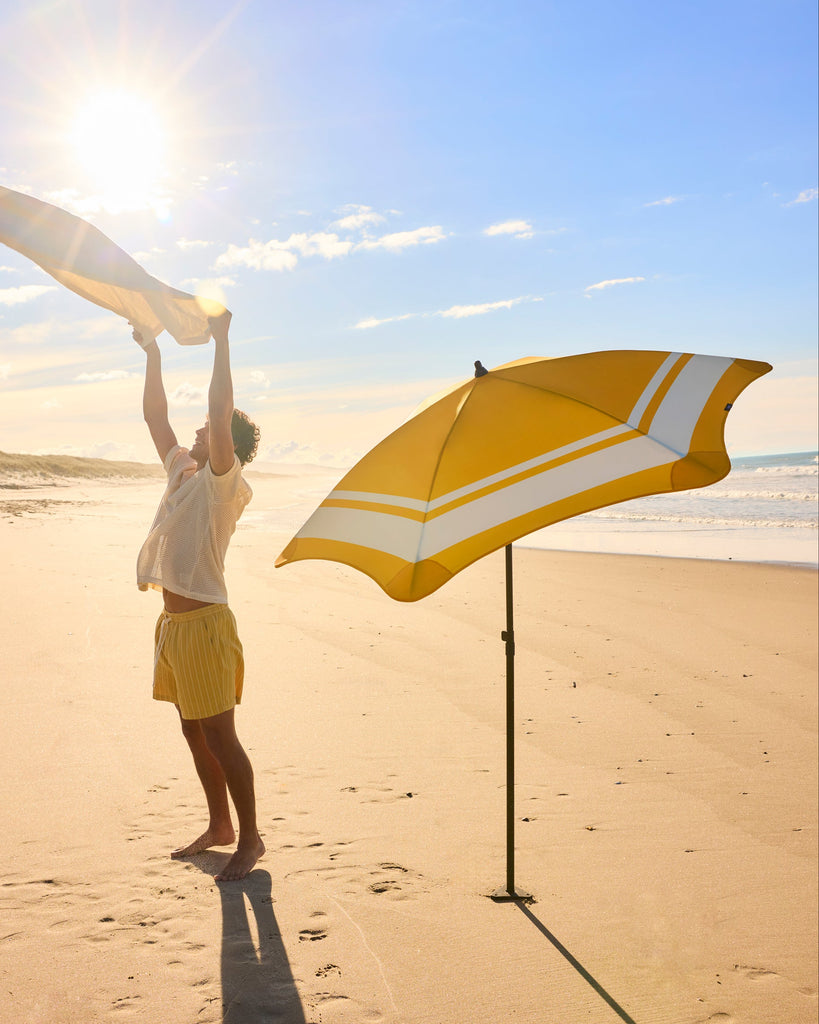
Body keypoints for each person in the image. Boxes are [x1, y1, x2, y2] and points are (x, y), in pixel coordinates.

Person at [134, 312, 265, 882]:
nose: (197, 431)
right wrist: (152, 351)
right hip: (173, 626)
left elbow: (218, 412)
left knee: (221, 735)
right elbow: (154, 417)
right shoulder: (184, 473)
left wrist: (223, 341)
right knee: (193, 729)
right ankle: (221, 826)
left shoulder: (223, 483)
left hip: (207, 623)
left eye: (211, 432)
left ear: (225, 446)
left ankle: (252, 838)